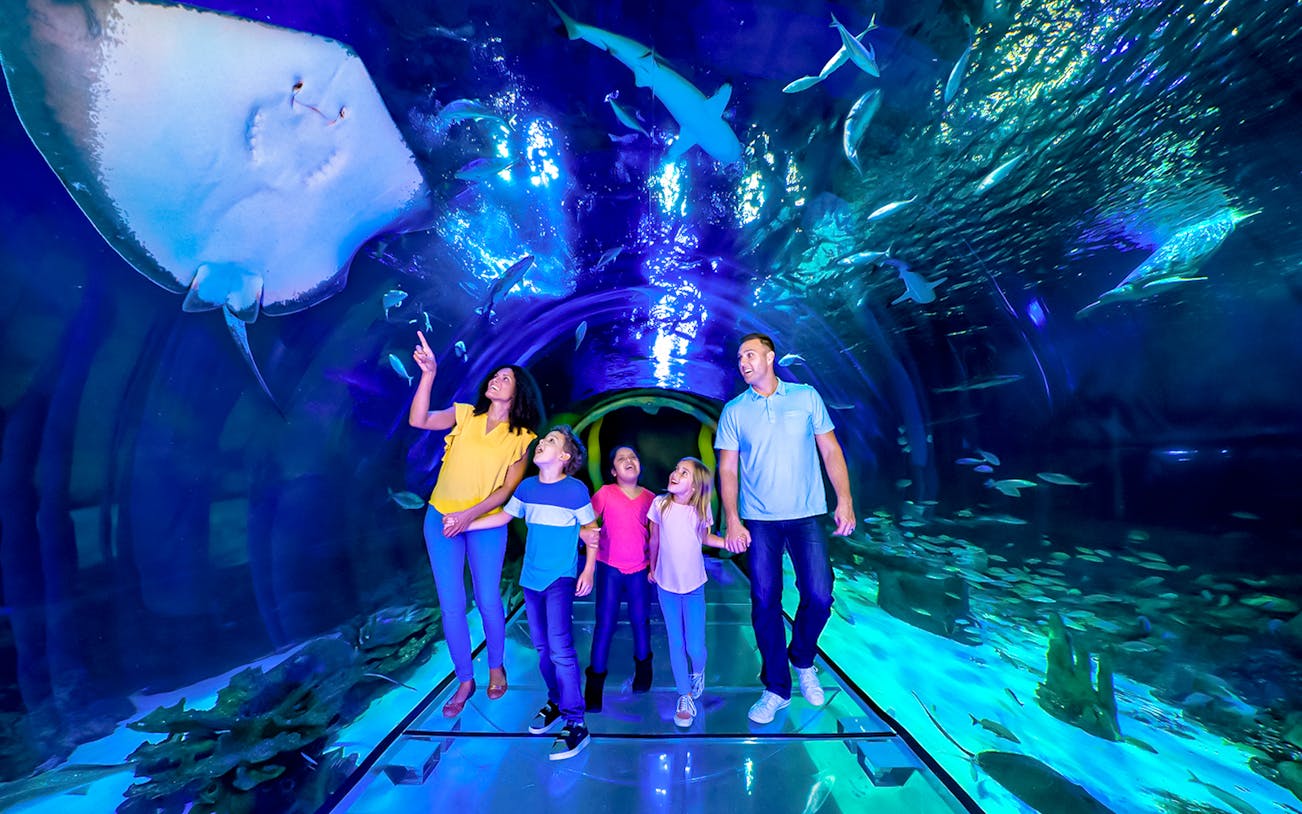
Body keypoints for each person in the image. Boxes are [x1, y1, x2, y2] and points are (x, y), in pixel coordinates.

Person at [715, 333, 856, 725]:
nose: (743, 361)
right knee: (764, 602)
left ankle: (803, 658)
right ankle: (776, 686)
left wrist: (844, 499)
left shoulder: (806, 396)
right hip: (759, 519)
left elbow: (830, 449)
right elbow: (727, 469)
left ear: (770, 357)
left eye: (750, 354)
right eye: (739, 356)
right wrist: (732, 518)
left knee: (820, 594)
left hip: (807, 514)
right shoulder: (734, 411)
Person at [408, 331, 540, 718]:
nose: (495, 380)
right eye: (494, 376)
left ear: (518, 393)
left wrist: (467, 516)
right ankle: (465, 679)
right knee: (451, 605)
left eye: (505, 378)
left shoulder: (523, 439)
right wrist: (429, 374)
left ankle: (495, 665)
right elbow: (419, 419)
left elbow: (504, 493)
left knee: (487, 598)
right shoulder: (464, 414)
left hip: (482, 524)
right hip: (439, 519)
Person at [468, 425, 599, 760]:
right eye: (543, 440)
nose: (542, 443)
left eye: (551, 441)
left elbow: (591, 532)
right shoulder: (526, 488)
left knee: (560, 649)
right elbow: (501, 518)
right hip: (531, 579)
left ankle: (576, 722)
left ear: (565, 456)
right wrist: (465, 523)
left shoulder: (576, 490)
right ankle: (556, 701)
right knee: (542, 648)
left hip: (559, 579)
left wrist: (588, 569)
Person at [648, 457, 726, 728]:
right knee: (676, 642)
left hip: (693, 587)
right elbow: (654, 539)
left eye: (684, 473)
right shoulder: (659, 505)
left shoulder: (700, 511)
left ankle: (699, 671)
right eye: (676, 469)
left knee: (695, 645)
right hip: (665, 586)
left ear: (695, 487)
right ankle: (684, 695)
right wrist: (652, 567)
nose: (675, 473)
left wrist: (728, 541)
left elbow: (706, 538)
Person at [584, 445, 656, 712]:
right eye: (621, 458)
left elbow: (657, 536)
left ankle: (644, 669)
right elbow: (588, 522)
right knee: (604, 623)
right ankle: (594, 684)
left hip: (640, 569)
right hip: (609, 568)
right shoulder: (605, 493)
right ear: (613, 471)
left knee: (640, 621)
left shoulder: (650, 498)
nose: (629, 460)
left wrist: (656, 567)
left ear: (640, 467)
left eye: (633, 457)